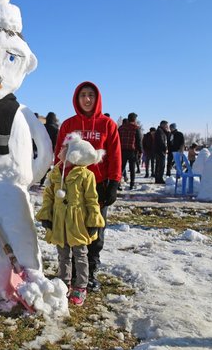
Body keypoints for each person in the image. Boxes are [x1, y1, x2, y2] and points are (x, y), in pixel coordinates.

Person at [54, 81, 121, 292]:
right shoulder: (68, 124)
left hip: (98, 186)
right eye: (83, 95)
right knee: (72, 228)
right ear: (77, 98)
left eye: (91, 95)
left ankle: (90, 271)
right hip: (72, 186)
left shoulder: (108, 125)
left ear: (97, 98)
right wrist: (57, 176)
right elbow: (59, 152)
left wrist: (114, 182)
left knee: (94, 228)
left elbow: (115, 155)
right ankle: (72, 271)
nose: (87, 99)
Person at [36, 133, 106, 306]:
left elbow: (92, 200)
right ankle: (63, 283)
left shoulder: (85, 176)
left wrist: (93, 221)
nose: (60, 149)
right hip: (60, 220)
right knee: (63, 254)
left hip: (77, 221)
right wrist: (46, 215)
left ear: (74, 154)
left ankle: (81, 286)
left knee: (80, 254)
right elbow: (49, 196)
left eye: (64, 148)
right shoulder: (55, 173)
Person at [118, 112, 142, 190]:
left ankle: (118, 184)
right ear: (135, 119)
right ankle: (132, 184)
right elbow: (138, 141)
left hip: (122, 151)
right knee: (132, 169)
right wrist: (140, 151)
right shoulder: (136, 128)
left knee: (121, 169)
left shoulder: (121, 128)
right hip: (132, 151)